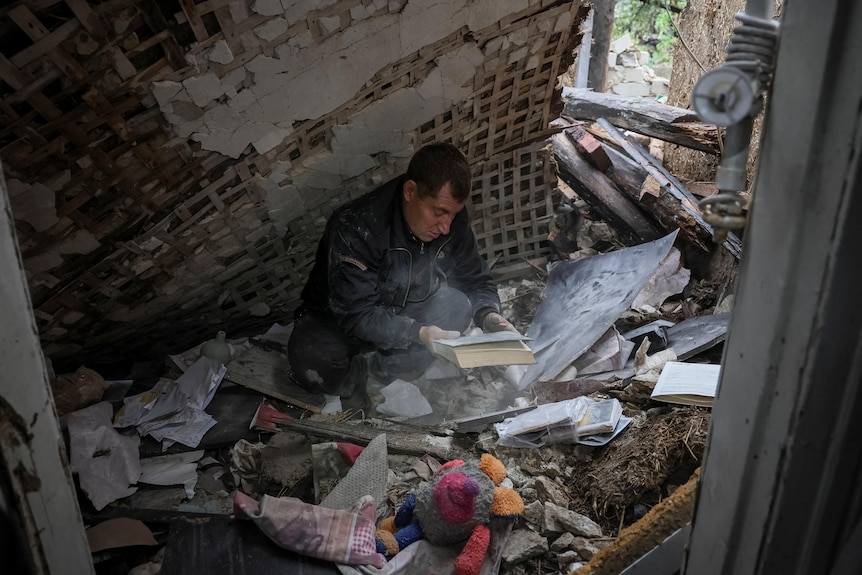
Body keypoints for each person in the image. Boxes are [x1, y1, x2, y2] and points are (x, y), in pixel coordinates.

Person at [287, 143, 517, 405]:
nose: (445, 227)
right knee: (312, 364)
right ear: (410, 191)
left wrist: (489, 314)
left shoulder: (451, 220)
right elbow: (357, 314)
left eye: (453, 214)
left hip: (404, 311)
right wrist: (419, 333)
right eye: (439, 212)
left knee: (457, 307)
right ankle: (354, 373)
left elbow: (474, 279)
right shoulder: (357, 227)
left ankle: (383, 371)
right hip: (339, 321)